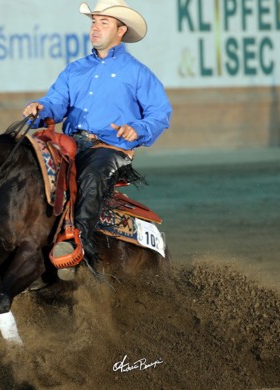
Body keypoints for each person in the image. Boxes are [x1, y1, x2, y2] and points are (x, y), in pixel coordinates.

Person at [23, 0, 172, 275]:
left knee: (91, 178)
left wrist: (137, 128)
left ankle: (79, 244)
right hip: (69, 144)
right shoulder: (74, 69)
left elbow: (160, 113)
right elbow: (56, 101)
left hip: (110, 148)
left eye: (104, 22)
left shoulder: (138, 73)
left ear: (121, 30)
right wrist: (41, 108)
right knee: (25, 166)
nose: (95, 27)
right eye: (94, 21)